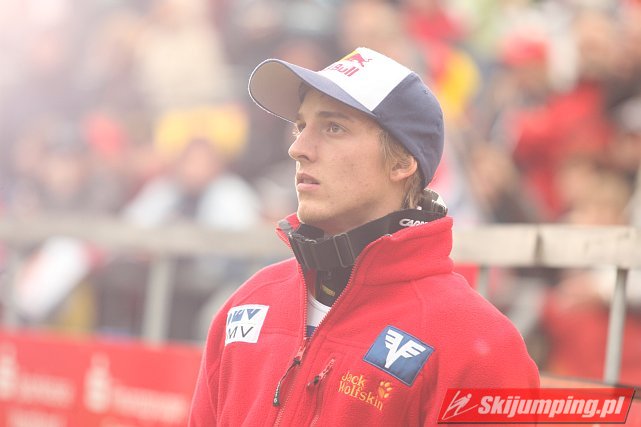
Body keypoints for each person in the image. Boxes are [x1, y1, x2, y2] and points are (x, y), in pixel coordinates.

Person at [189, 47, 539, 425]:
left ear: (402, 162)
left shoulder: (476, 346)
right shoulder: (248, 302)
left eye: (333, 128)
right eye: (300, 126)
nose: (298, 148)